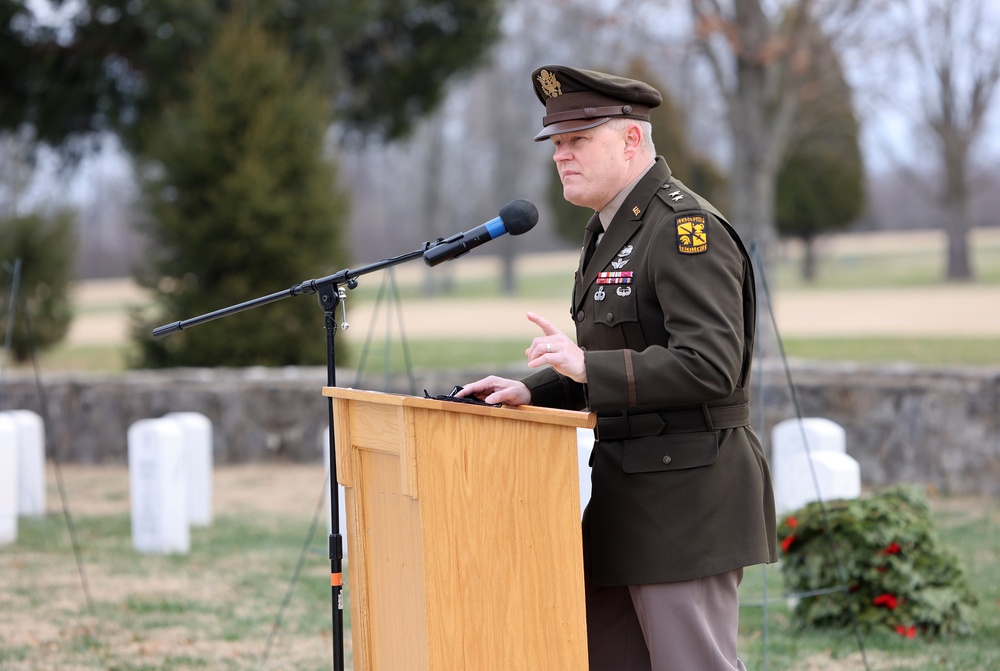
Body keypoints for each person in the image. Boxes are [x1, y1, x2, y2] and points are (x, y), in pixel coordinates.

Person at [456, 65, 777, 671]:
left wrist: (584, 366)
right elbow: (611, 358)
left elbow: (711, 365)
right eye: (556, 143)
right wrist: (531, 391)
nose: (561, 156)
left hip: (686, 504)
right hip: (625, 502)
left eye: (578, 140)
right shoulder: (611, 229)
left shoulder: (685, 230)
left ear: (631, 140)